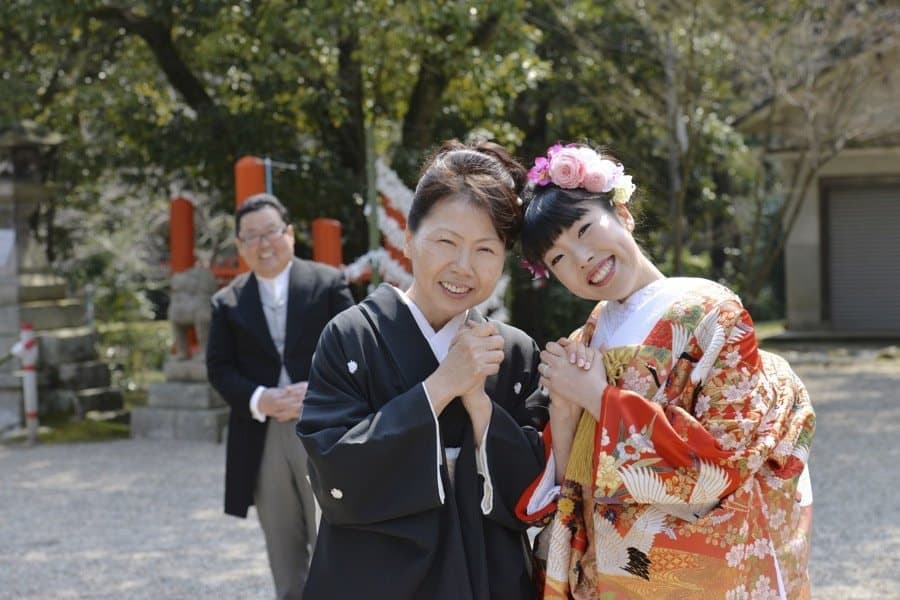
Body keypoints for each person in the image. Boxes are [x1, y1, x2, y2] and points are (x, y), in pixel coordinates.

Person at [515, 144, 816, 599]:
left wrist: (600, 400)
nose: (580, 259)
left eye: (583, 229)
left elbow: (727, 457)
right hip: (608, 569)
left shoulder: (714, 314)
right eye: (557, 258)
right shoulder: (586, 338)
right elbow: (572, 478)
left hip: (694, 572)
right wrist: (564, 406)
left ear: (622, 214)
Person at [297, 140, 550, 599]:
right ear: (409, 238)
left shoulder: (514, 352)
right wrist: (442, 386)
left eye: (485, 250)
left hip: (487, 576)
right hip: (375, 576)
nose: (463, 267)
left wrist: (480, 409)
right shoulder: (352, 335)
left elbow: (535, 495)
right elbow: (333, 470)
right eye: (446, 242)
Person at [206, 193, 355, 599]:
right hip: (263, 435)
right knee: (282, 546)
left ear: (289, 233)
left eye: (270, 231)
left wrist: (320, 390)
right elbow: (219, 368)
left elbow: (355, 351)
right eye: (250, 236)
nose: (263, 243)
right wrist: (259, 399)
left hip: (323, 427)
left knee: (334, 534)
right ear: (240, 247)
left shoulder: (327, 283)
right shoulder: (227, 302)